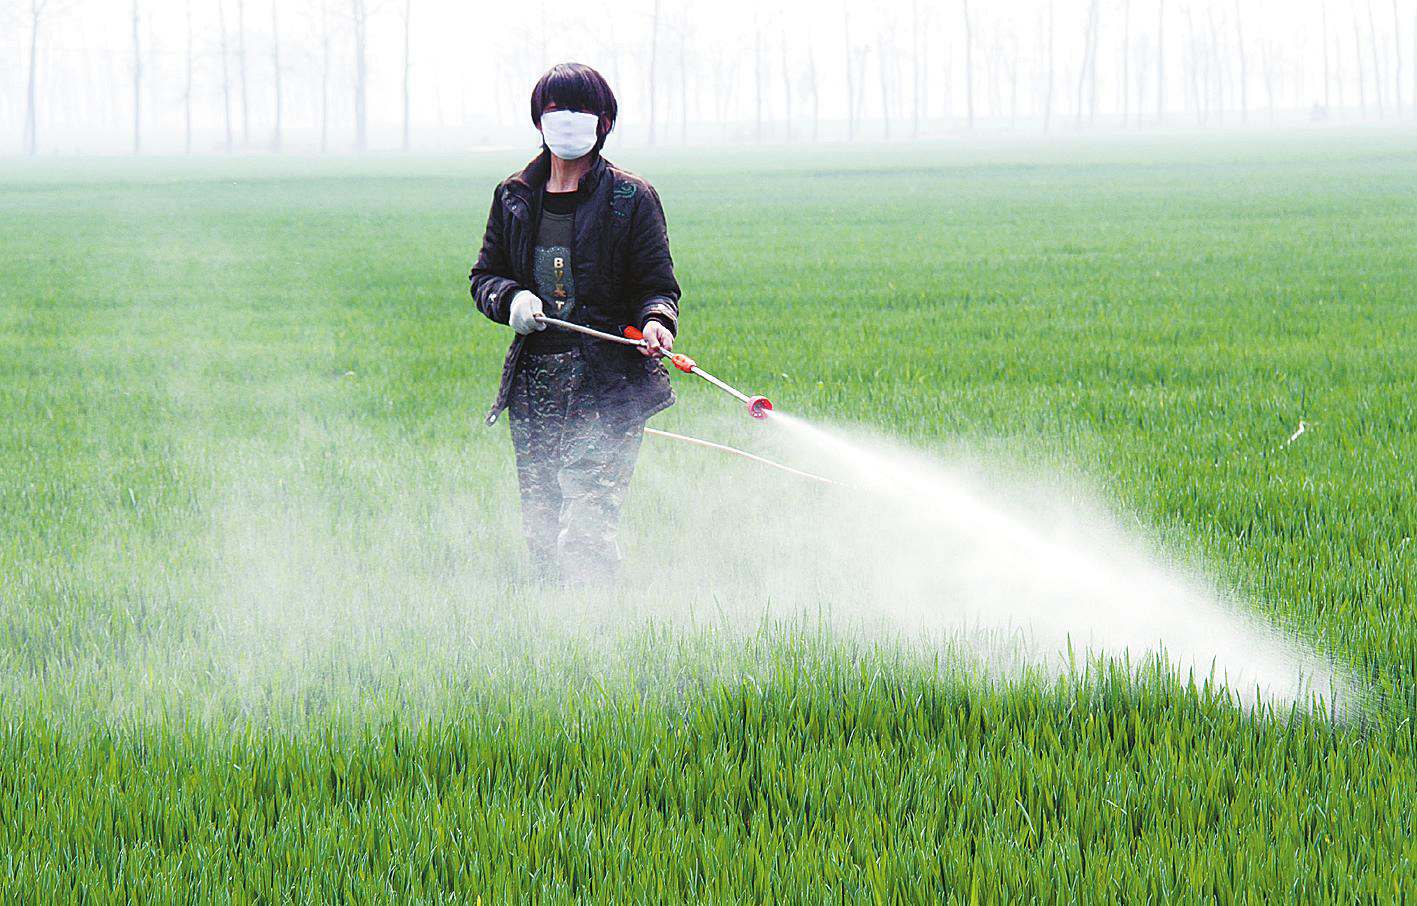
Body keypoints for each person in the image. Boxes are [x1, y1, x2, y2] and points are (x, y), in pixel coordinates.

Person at [469, 62, 681, 586]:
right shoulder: (514, 196)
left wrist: (657, 322)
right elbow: (485, 277)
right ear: (538, 120)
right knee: (542, 527)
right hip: (535, 386)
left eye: (579, 110)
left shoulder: (632, 199)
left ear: (604, 121)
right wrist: (510, 298)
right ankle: (553, 642)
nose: (565, 119)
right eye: (554, 109)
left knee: (586, 526)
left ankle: (597, 635)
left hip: (608, 385)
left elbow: (659, 288)